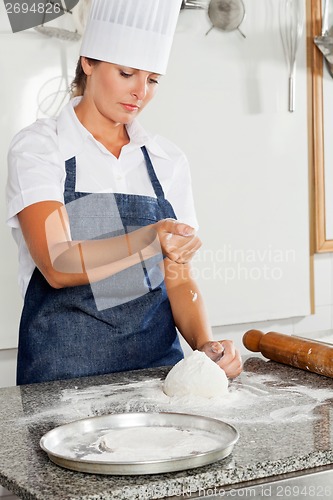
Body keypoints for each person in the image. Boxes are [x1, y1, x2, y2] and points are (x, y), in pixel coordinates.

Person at [6, 0, 242, 385]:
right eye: (127, 73)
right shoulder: (40, 148)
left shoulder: (167, 161)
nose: (140, 93)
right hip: (62, 380)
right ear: (88, 62)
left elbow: (178, 279)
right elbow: (57, 263)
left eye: (152, 80)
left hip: (157, 377)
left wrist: (205, 346)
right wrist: (149, 239)